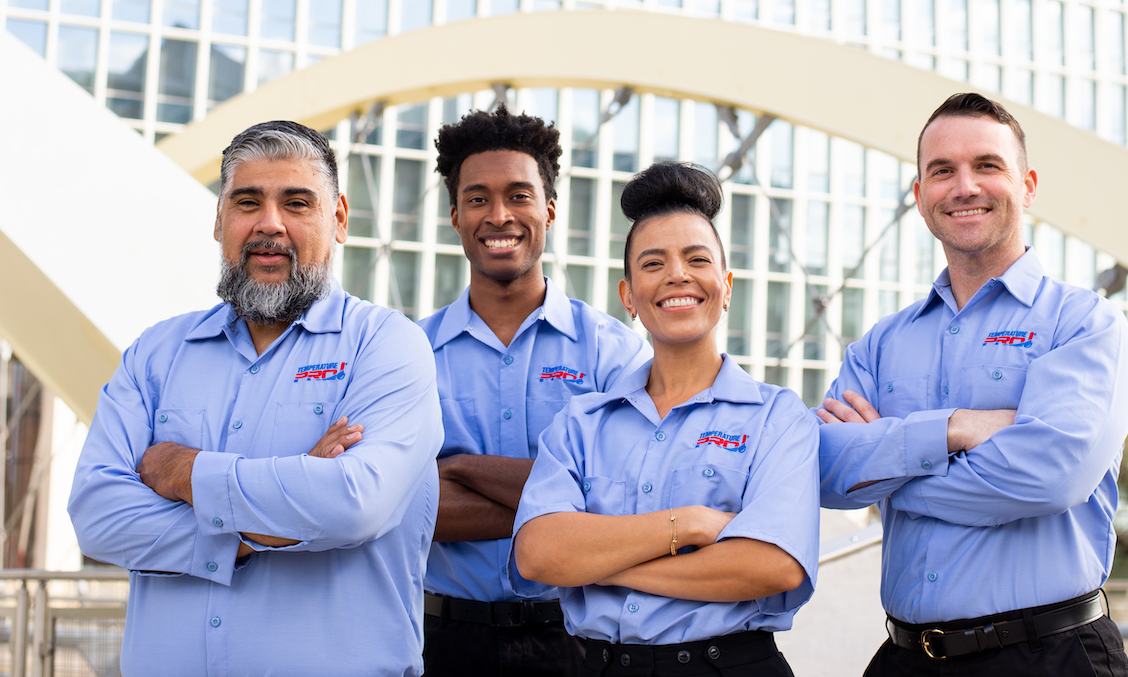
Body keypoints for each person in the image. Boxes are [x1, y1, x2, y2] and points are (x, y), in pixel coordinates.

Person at [68, 121, 442, 677]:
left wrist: (183, 472)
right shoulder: (156, 353)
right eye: (248, 202)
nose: (270, 224)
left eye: (296, 203)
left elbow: (353, 503)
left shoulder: (387, 346)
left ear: (337, 219)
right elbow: (97, 514)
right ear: (220, 220)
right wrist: (258, 527)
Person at [817, 93, 1128, 676]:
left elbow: (1049, 477)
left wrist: (894, 471)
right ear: (920, 197)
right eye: (942, 171)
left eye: (987, 166)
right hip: (904, 659)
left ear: (1028, 184)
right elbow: (828, 471)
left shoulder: (1084, 325)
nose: (964, 186)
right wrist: (956, 429)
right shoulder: (880, 344)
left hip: (1052, 656)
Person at [513, 162, 819, 677]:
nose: (677, 274)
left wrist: (605, 565)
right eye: (653, 263)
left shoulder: (778, 417)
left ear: (725, 287)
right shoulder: (581, 423)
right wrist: (692, 525)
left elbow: (774, 565)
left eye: (696, 259)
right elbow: (539, 555)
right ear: (629, 296)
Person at [418, 105, 650, 677]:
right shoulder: (408, 354)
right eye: (478, 198)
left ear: (548, 209)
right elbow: (400, 503)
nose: (499, 215)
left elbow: (625, 500)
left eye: (518, 196)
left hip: (574, 640)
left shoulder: (612, 352)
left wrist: (461, 470)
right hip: (438, 640)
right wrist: (563, 513)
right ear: (455, 215)